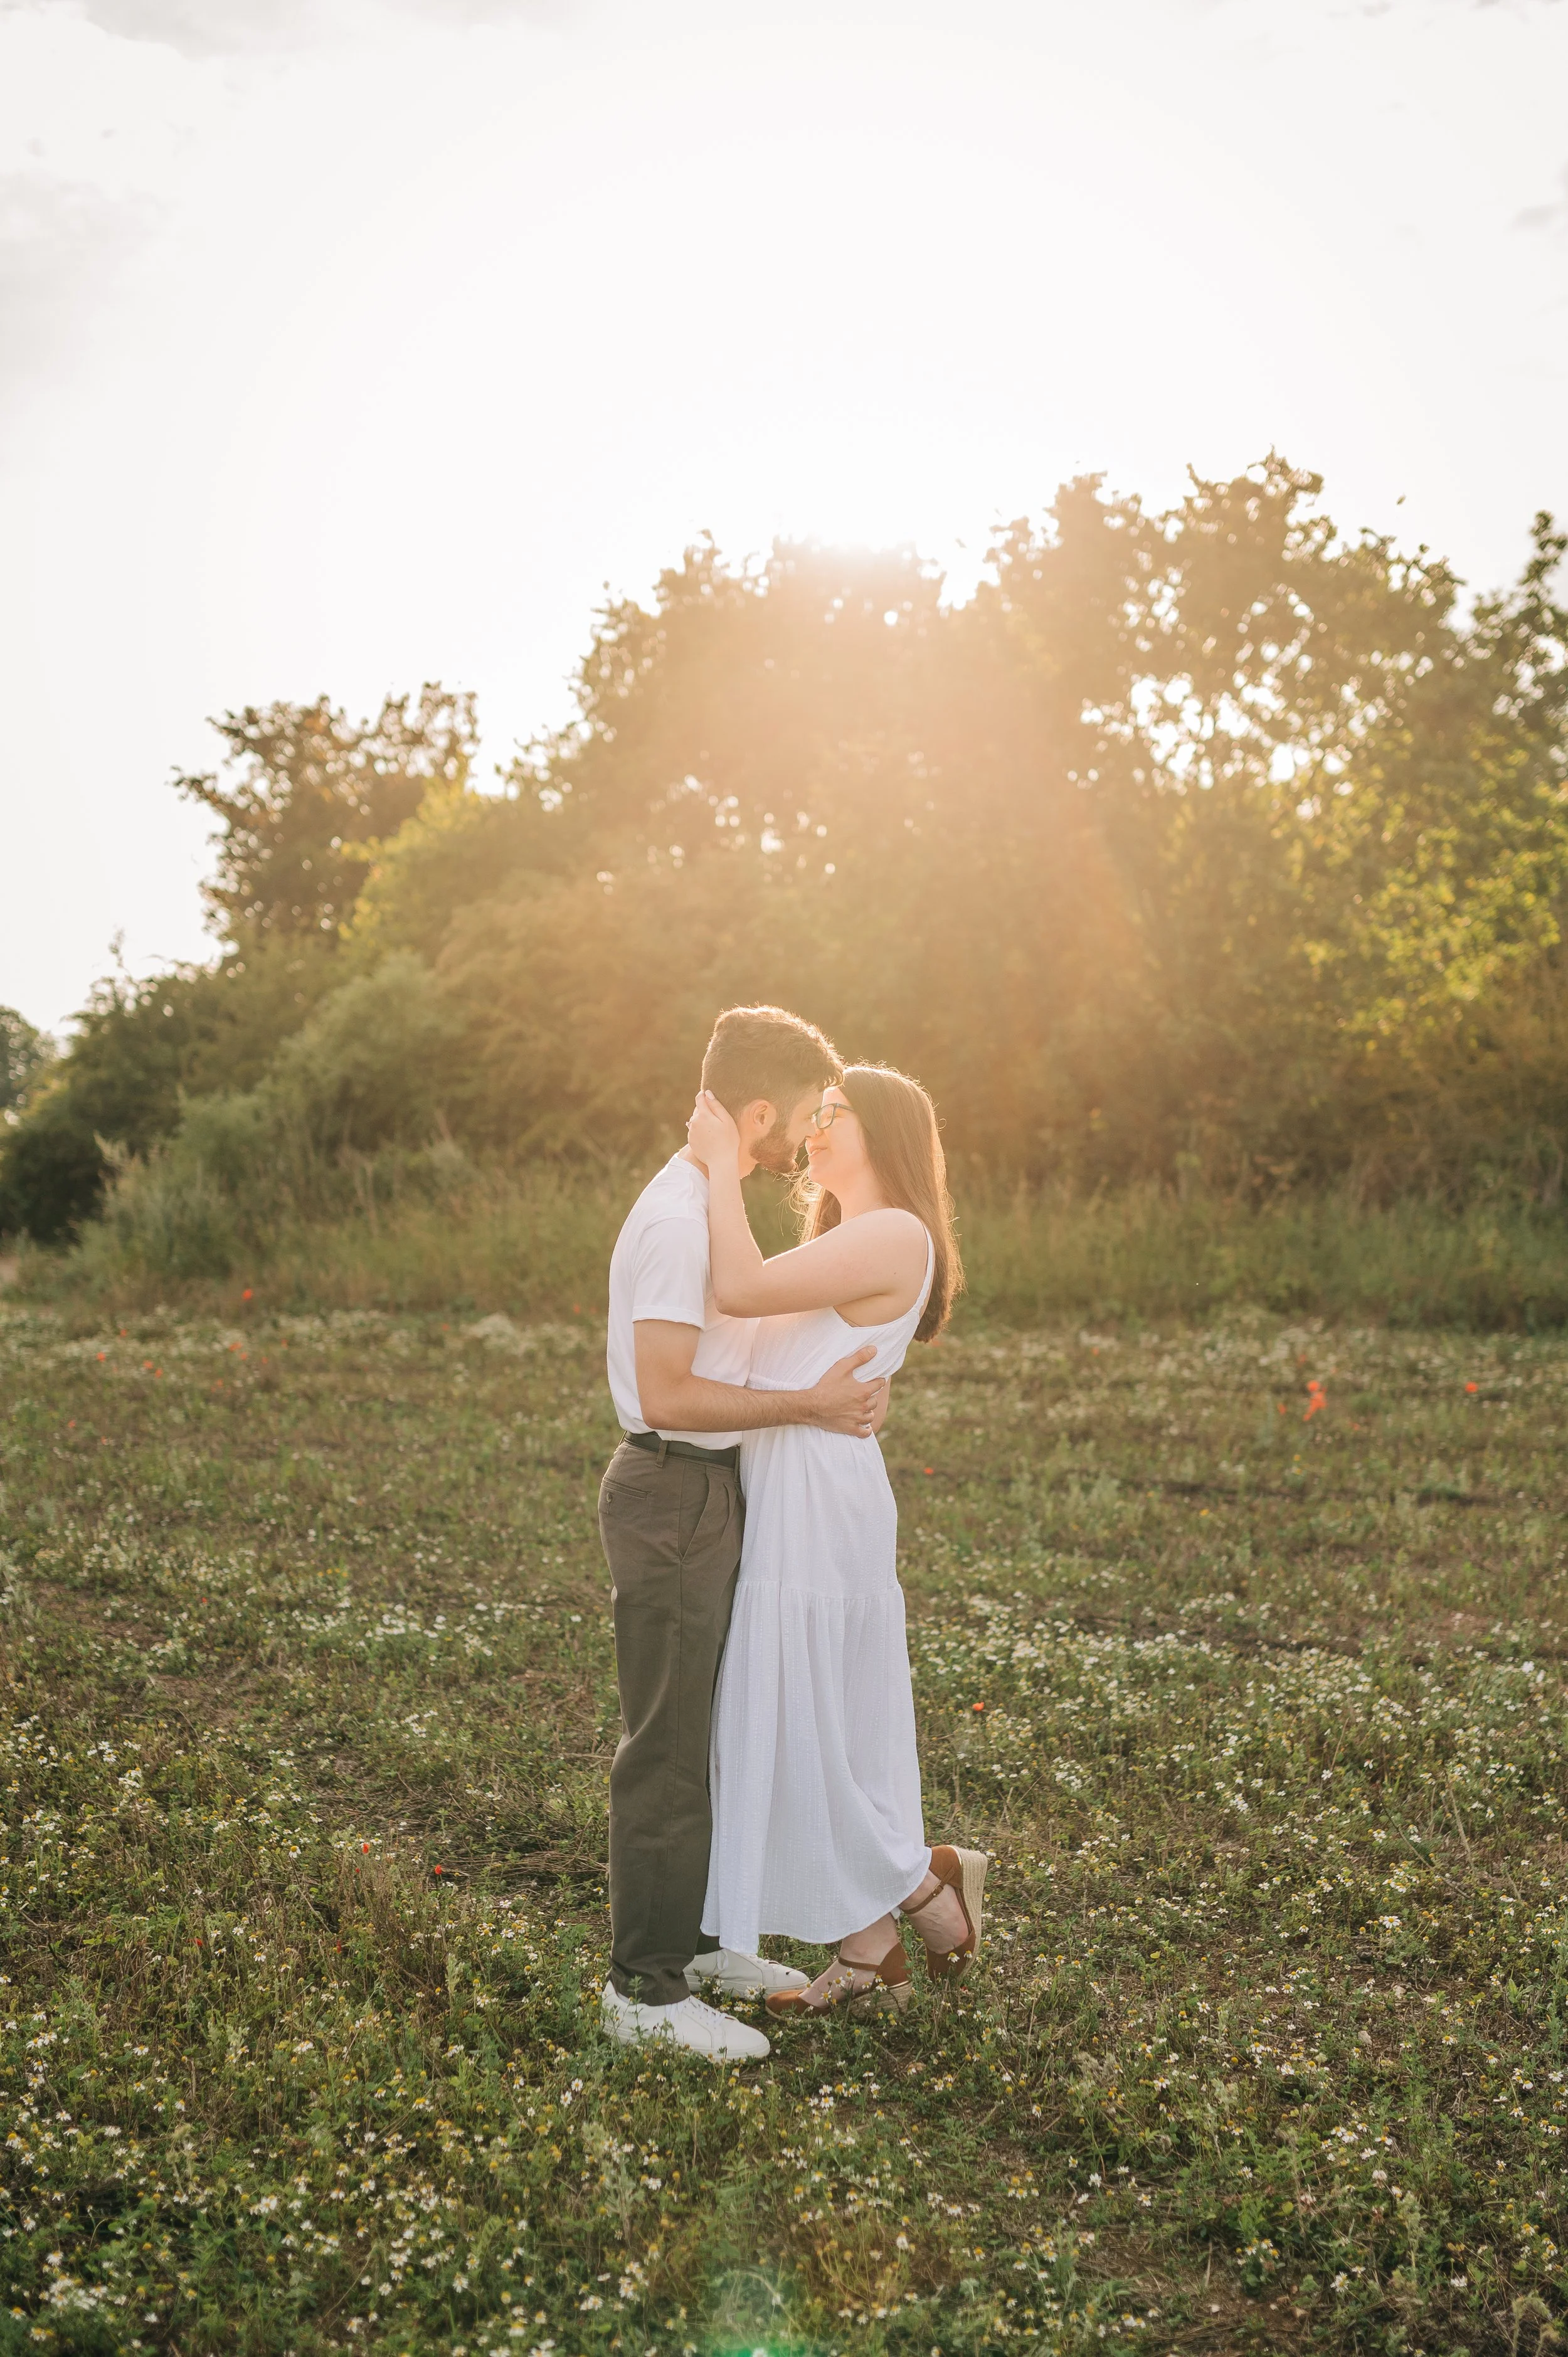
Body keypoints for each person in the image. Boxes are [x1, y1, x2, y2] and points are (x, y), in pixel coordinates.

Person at [597, 1005, 892, 2062]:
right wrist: (809, 1408)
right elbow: (674, 1391)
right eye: (808, 1113)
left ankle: (702, 1942)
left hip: (708, 1492)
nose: (810, 1136)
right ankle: (644, 1988)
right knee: (669, 1746)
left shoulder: (706, 1202)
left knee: (711, 1729)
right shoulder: (684, 1219)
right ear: (760, 1113)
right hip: (673, 1488)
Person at [687, 1064, 987, 2017]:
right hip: (802, 1482)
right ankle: (871, 1942)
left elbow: (736, 1286)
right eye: (814, 1115)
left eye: (835, 1115)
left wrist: (714, 1164)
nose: (814, 1130)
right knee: (807, 1713)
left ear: (888, 1131)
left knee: (803, 1710)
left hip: (819, 1495)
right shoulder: (853, 1237)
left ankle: (922, 1891)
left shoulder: (894, 1231)